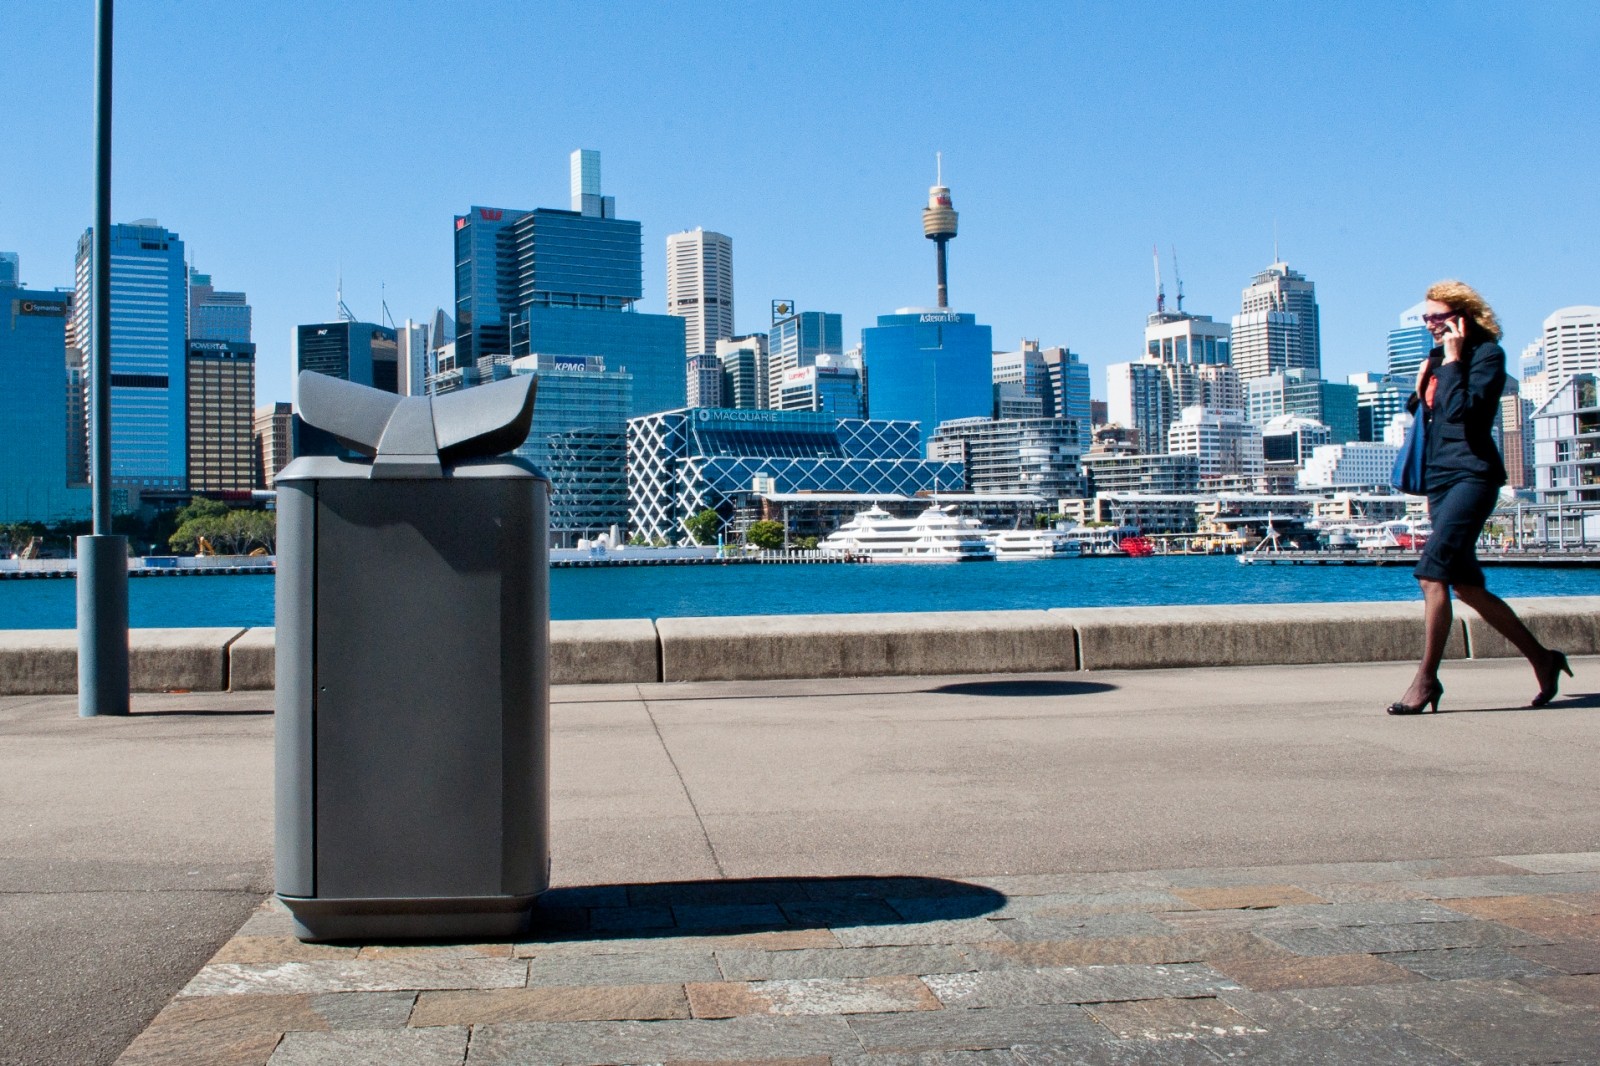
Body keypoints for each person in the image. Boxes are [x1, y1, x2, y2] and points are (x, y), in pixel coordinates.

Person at [1388, 280, 1571, 714]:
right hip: (1440, 479)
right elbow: (1432, 420)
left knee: (1432, 575)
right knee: (1467, 586)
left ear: (1462, 315)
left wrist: (1450, 363)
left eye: (1437, 315)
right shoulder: (1435, 360)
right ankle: (1544, 659)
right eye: (1426, 317)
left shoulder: (1488, 357)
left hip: (1474, 476)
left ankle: (1426, 679)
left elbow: (1463, 414)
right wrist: (1419, 392)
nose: (1429, 323)